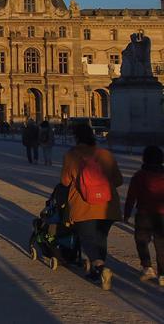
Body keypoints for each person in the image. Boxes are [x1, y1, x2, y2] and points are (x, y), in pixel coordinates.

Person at [60, 123, 123, 290]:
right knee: (101, 238)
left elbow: (65, 181)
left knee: (87, 239)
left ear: (76, 137)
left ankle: (101, 267)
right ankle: (97, 272)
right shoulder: (105, 154)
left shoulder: (72, 155)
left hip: (84, 205)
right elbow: (118, 180)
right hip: (108, 206)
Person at [123, 145, 164, 285]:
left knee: (141, 240)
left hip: (144, 214)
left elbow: (131, 196)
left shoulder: (139, 176)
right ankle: (163, 274)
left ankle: (147, 267)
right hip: (162, 215)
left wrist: (126, 214)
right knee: (161, 244)